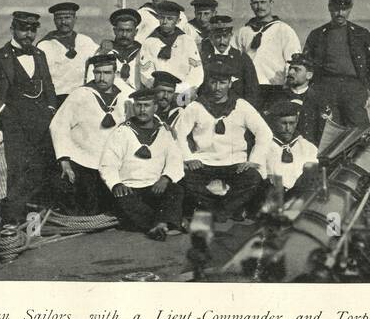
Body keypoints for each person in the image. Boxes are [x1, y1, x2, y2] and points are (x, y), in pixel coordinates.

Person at [0, 11, 57, 226]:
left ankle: (34, 229)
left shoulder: (39, 55)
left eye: (32, 30)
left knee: (41, 171)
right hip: (12, 125)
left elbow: (49, 86)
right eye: (23, 29)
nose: (28, 34)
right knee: (17, 172)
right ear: (12, 30)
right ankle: (14, 224)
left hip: (41, 124)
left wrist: (51, 107)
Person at [175, 60, 272, 223]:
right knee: (183, 179)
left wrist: (253, 161)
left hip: (235, 164)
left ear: (230, 83)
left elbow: (264, 133)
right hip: (205, 163)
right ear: (207, 82)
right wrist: (189, 158)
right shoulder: (196, 107)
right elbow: (178, 134)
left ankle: (215, 210)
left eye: (222, 82)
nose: (217, 87)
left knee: (253, 178)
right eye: (213, 82)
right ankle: (225, 210)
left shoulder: (241, 106)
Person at [99, 88, 185, 239]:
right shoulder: (122, 132)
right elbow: (108, 163)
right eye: (138, 105)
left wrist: (165, 178)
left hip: (154, 187)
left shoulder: (163, 132)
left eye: (147, 105)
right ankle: (162, 224)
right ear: (133, 107)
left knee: (175, 190)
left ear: (155, 108)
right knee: (123, 201)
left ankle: (157, 224)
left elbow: (175, 159)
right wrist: (116, 184)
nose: (142, 110)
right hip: (130, 188)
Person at [50, 53, 128, 214]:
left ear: (115, 74)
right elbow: (59, 125)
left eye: (107, 73)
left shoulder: (124, 97)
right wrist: (64, 161)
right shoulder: (80, 95)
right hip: (84, 162)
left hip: (112, 164)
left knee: (116, 207)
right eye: (98, 73)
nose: (101, 78)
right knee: (88, 209)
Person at [302, 0, 370, 131]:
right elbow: (306, 64)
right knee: (327, 132)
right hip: (325, 88)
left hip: (353, 89)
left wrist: (368, 89)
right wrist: (313, 90)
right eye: (335, 9)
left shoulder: (361, 34)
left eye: (344, 9)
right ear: (329, 8)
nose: (340, 13)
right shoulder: (317, 35)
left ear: (350, 9)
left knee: (359, 133)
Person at [236, 0, 300, 108]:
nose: (259, 7)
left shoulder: (284, 30)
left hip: (276, 88)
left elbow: (292, 60)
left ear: (271, 3)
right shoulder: (244, 31)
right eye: (255, 3)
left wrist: (288, 85)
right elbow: (236, 59)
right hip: (249, 87)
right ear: (251, 6)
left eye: (263, 2)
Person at [254, 99, 320, 207]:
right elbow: (259, 175)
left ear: (297, 122)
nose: (288, 128)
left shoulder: (307, 147)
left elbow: (311, 178)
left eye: (292, 123)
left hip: (298, 199)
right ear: (274, 122)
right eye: (283, 123)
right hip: (271, 198)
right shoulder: (264, 145)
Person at [37, 1, 99, 103]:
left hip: (81, 98)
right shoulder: (45, 45)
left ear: (75, 19)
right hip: (56, 99)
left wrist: (108, 43)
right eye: (59, 18)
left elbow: (102, 56)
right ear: (54, 21)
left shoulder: (85, 41)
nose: (63, 22)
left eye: (67, 18)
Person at [139, 0, 204, 97]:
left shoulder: (187, 41)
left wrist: (180, 90)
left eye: (170, 19)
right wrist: (159, 88)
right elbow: (145, 73)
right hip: (158, 92)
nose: (165, 22)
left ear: (178, 21)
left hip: (182, 93)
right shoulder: (149, 42)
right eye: (162, 18)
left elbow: (196, 72)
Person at [198, 13, 261, 109]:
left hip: (236, 109)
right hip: (209, 108)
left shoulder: (242, 58)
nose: (222, 41)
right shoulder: (203, 58)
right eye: (217, 37)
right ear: (211, 37)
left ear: (231, 36)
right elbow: (200, 88)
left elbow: (252, 89)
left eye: (225, 36)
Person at [280, 51, 333, 145]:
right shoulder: (278, 96)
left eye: (297, 69)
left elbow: (324, 133)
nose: (291, 72)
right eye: (290, 68)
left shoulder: (319, 100)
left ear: (309, 75)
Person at [101, 7, 143, 93]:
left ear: (136, 31)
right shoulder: (105, 52)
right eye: (121, 30)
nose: (124, 34)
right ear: (114, 31)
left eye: (129, 31)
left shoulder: (143, 52)